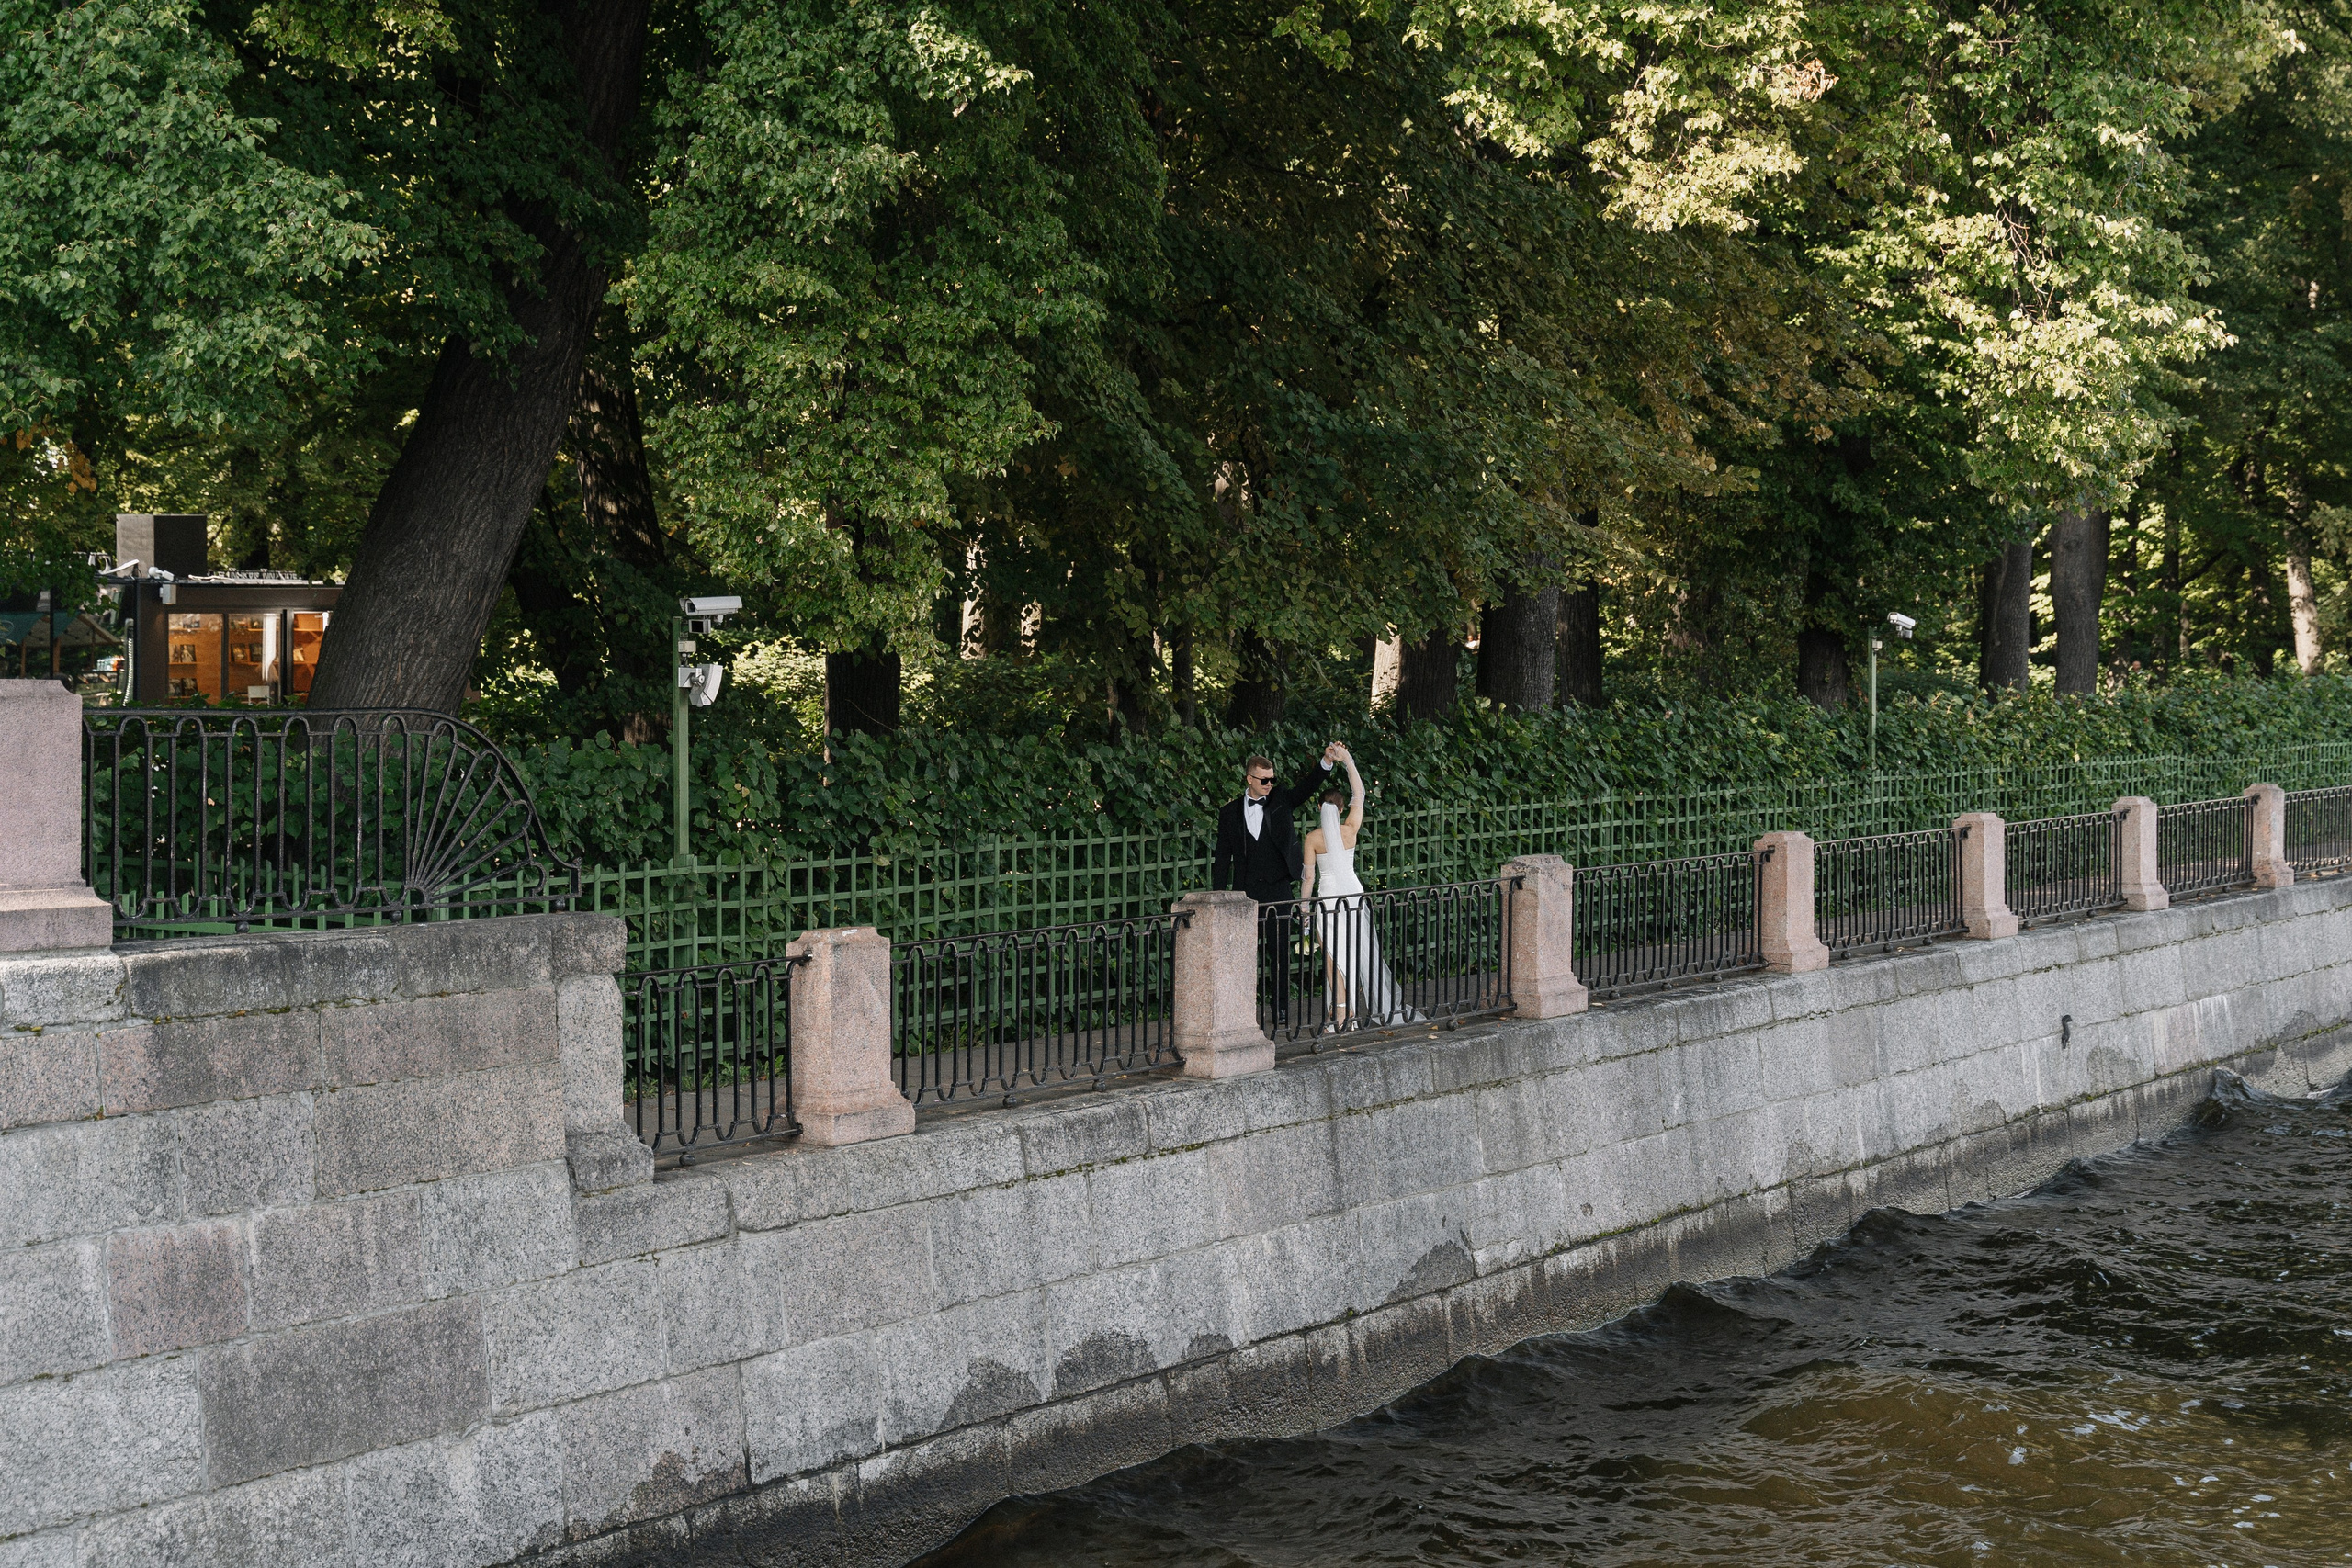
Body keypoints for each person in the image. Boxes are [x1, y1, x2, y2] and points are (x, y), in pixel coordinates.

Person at [1211, 745, 1339, 1026]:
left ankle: (1280, 1008)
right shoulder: (1229, 812)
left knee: (1279, 952)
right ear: (1249, 779)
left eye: (1272, 779)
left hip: (1279, 888)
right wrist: (1218, 895)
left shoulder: (1281, 800)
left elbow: (1307, 787)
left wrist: (1326, 762)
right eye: (1264, 780)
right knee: (1243, 953)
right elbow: (1222, 857)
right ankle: (1240, 1011)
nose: (1269, 784)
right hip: (1245, 892)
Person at [1299, 742, 1419, 1031]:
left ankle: (1342, 1012)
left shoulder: (1312, 838)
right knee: (1352, 951)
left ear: (1320, 808)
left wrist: (1304, 909)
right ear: (1341, 810)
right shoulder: (1350, 830)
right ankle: (1346, 1010)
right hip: (1353, 894)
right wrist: (1348, 760)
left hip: (1329, 898)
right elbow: (1360, 794)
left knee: (1331, 955)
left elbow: (1308, 879)